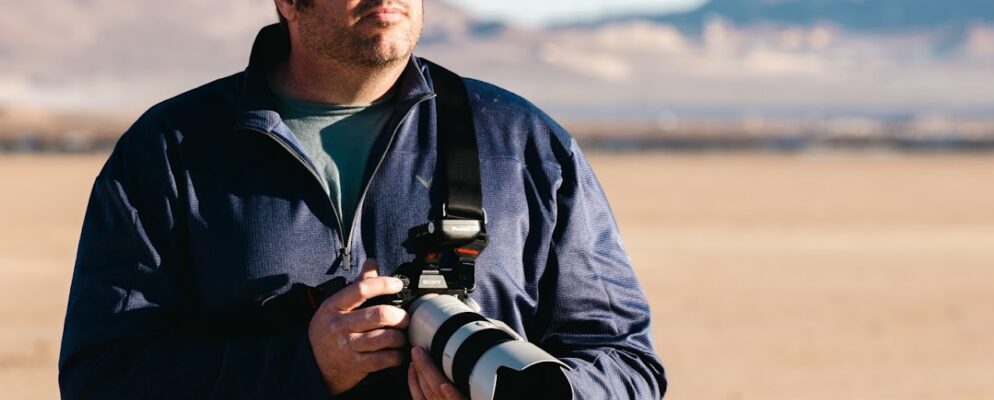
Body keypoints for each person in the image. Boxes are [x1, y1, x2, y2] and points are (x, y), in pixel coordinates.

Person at [58, 0, 667, 398]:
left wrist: (529, 390)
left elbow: (625, 361)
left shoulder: (522, 144)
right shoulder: (172, 152)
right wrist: (303, 366)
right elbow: (101, 375)